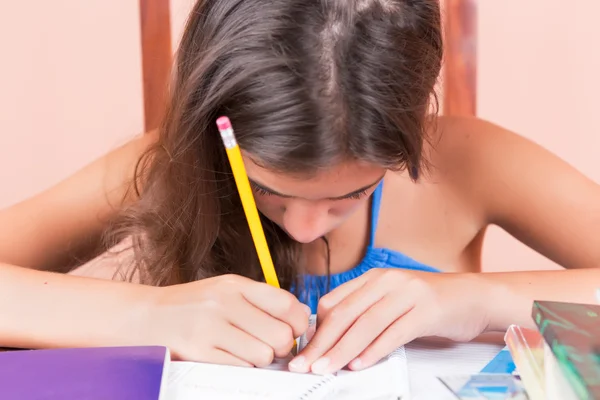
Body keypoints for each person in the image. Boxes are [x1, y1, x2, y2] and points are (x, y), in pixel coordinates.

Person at [1, 0, 600, 376]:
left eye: (351, 196)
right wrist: (147, 316)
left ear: (410, 134)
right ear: (219, 132)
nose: (306, 226)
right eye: (268, 192)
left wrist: (473, 302)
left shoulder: (473, 163)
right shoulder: (168, 167)